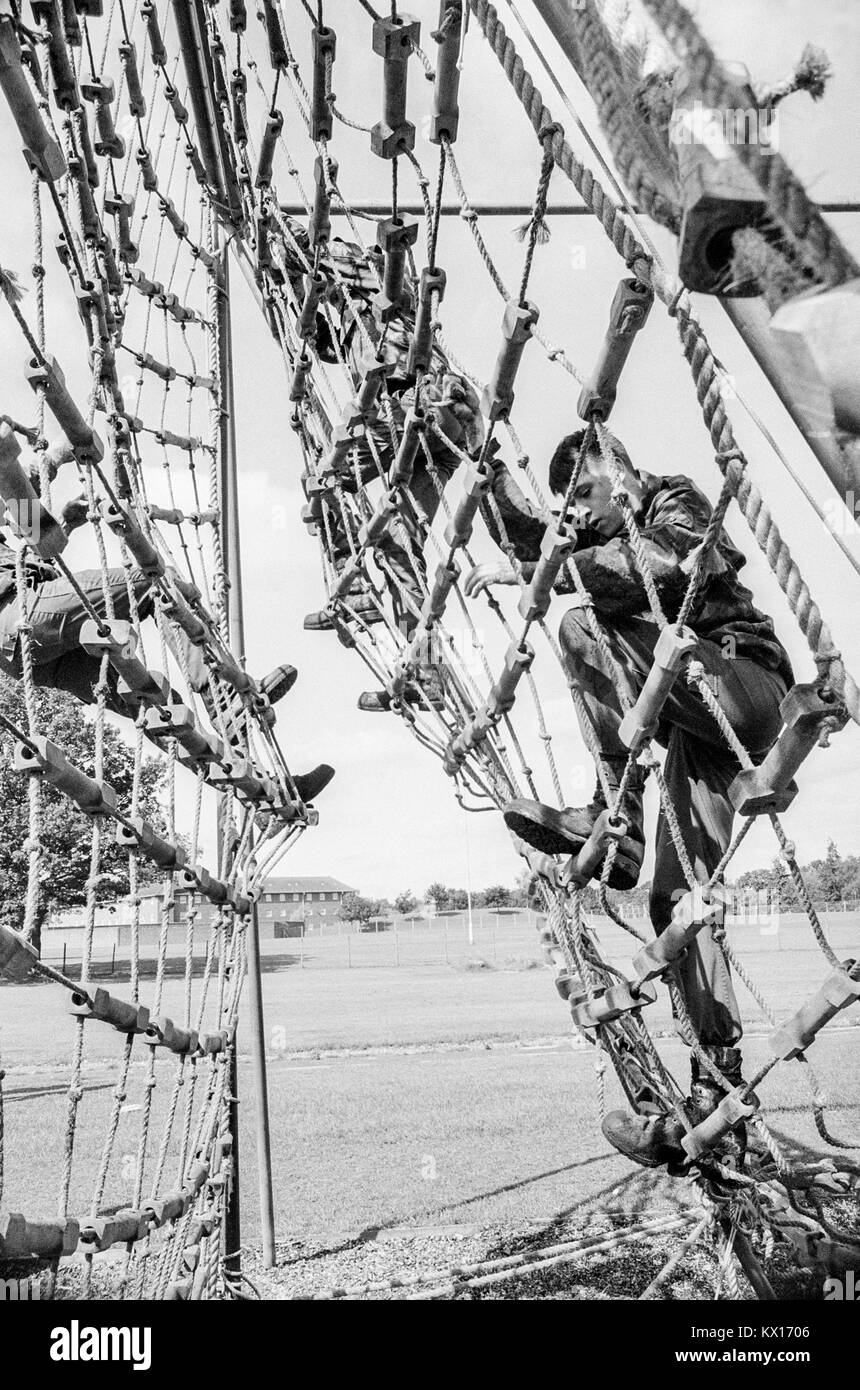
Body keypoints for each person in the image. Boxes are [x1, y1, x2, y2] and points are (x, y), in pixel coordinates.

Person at [464, 428, 794, 1170]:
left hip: (738, 683)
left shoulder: (672, 499)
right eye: (566, 503)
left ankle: (616, 821)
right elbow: (533, 537)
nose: (575, 511)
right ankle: (718, 1094)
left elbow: (673, 566)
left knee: (581, 624)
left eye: (583, 492)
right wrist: (476, 460)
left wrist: (554, 568)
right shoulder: (593, 538)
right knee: (677, 905)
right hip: (692, 729)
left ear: (623, 474)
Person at [281, 218, 485, 711]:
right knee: (398, 547)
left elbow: (296, 259)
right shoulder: (382, 299)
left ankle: (353, 592)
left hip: (409, 406)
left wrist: (283, 252)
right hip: (451, 418)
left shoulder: (348, 269)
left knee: (322, 479)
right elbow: (330, 344)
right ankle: (427, 672)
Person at [0, 506, 334, 805]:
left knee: (153, 706)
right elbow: (17, 488)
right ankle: (225, 699)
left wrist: (64, 524)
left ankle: (258, 791)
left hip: (22, 648)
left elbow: (39, 538)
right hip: (22, 611)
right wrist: (44, 477)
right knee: (155, 581)